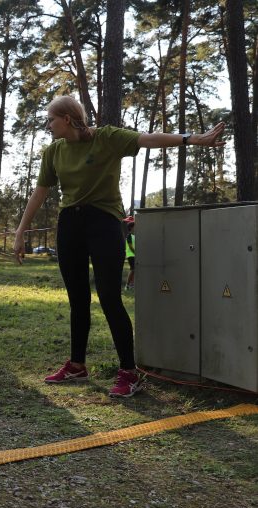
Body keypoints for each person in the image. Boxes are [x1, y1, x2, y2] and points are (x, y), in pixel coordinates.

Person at [13, 95, 226, 398]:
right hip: (70, 225)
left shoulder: (107, 138)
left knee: (110, 298)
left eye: (50, 119)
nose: (47, 125)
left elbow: (148, 139)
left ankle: (129, 372)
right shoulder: (54, 151)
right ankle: (76, 365)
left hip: (104, 223)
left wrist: (191, 139)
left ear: (68, 119)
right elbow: (39, 192)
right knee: (78, 299)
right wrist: (21, 231)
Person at [124, 217, 135, 290]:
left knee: (135, 270)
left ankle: (131, 284)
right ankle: (127, 285)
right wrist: (136, 252)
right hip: (130, 255)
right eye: (135, 227)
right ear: (131, 228)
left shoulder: (135, 235)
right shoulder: (129, 236)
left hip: (135, 254)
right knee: (133, 269)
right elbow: (130, 246)